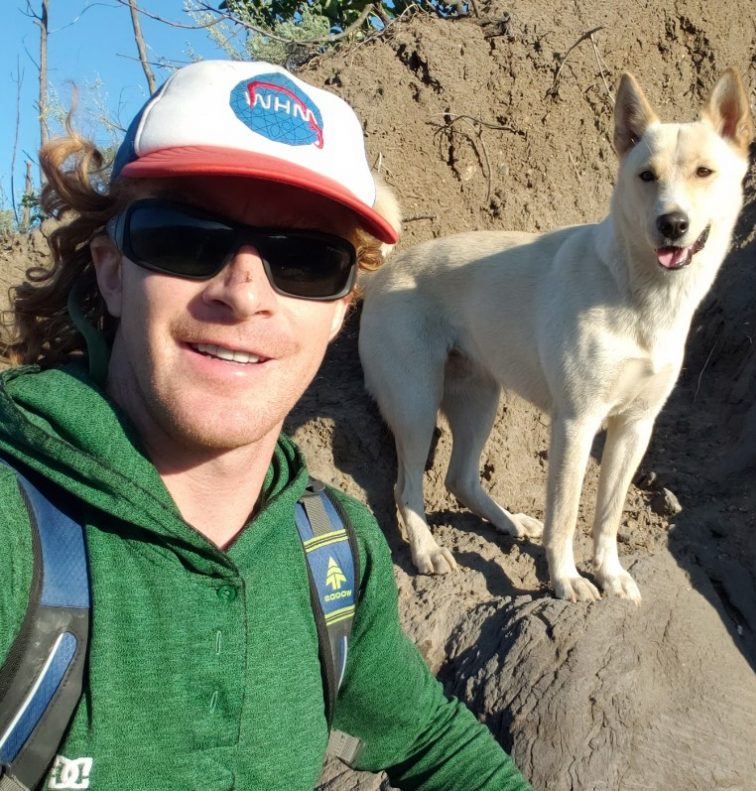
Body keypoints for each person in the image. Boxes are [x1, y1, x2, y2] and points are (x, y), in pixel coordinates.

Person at [0, 59, 532, 791]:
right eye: (186, 237)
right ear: (112, 272)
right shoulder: (16, 532)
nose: (245, 292)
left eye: (306, 259)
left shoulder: (330, 549)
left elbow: (431, 739)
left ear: (343, 308)